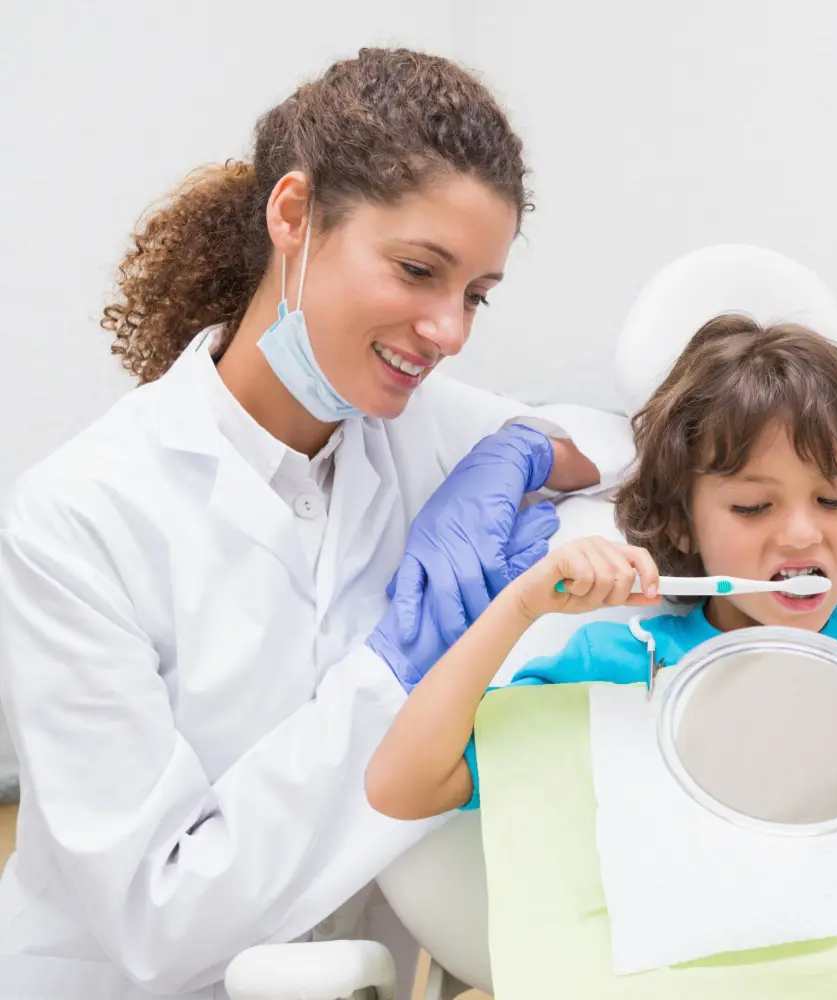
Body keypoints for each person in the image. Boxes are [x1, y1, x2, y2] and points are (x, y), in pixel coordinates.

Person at [0, 49, 631, 999]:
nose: (449, 330)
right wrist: (396, 676)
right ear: (293, 216)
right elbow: (157, 918)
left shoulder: (419, 433)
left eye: (475, 295)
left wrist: (524, 456)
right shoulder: (80, 520)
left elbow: (629, 444)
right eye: (419, 270)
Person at [363, 313, 837, 818]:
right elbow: (404, 788)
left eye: (834, 501)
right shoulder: (616, 669)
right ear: (679, 520)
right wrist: (519, 606)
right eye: (753, 506)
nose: (803, 533)